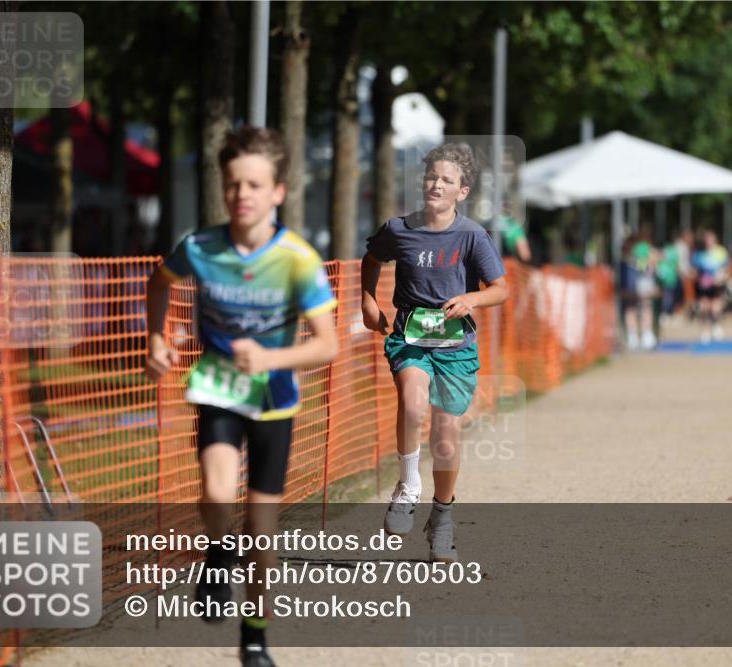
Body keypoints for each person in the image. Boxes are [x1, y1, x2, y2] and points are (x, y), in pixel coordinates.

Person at [145, 127, 338, 667]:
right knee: (215, 490)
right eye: (233, 184)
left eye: (254, 184)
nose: (241, 195)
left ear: (278, 191)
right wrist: (157, 337)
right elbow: (159, 284)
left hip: (275, 399)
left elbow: (327, 346)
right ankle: (218, 550)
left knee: (263, 528)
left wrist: (271, 358)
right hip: (220, 389)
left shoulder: (298, 258)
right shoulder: (201, 248)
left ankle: (255, 638)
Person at [361, 143, 507, 563]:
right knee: (412, 400)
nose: (436, 184)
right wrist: (368, 301)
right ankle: (408, 486)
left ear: (462, 191)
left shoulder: (472, 236)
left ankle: (442, 516)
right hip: (410, 336)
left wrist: (471, 300)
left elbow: (501, 288)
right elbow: (371, 260)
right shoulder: (399, 229)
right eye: (431, 177)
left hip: (456, 346)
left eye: (447, 180)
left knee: (446, 436)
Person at [691, 229, 729, 343]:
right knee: (704, 307)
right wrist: (699, 278)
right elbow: (694, 270)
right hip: (703, 285)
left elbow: (726, 269)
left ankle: (716, 326)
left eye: (710, 239)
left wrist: (721, 278)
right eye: (706, 239)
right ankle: (705, 330)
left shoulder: (721, 252)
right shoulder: (699, 254)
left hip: (717, 284)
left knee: (715, 307)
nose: (708, 241)